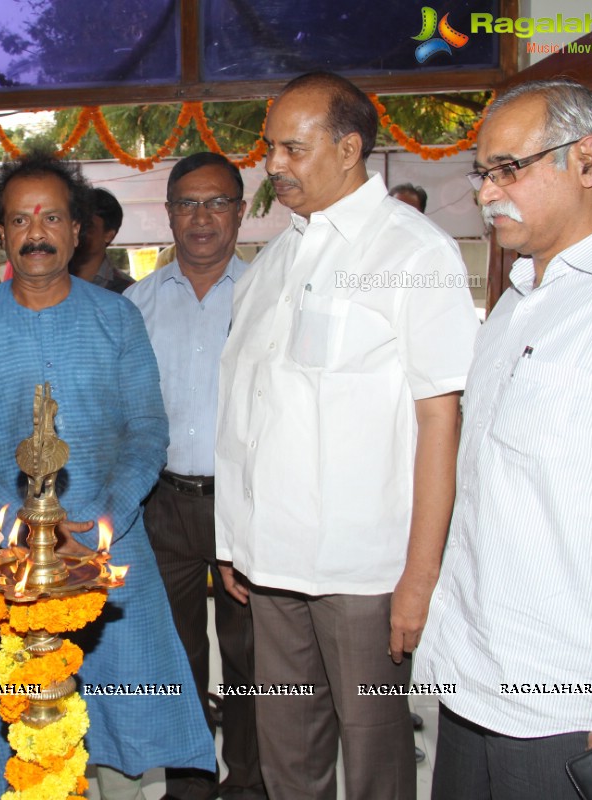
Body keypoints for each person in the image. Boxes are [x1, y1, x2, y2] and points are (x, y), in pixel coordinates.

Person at [214, 71, 479, 800]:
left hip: (366, 575)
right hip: (271, 565)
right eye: (271, 149)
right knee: (287, 758)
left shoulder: (413, 255)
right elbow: (248, 413)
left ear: (349, 147)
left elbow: (440, 418)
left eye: (292, 150)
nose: (273, 167)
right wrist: (233, 541)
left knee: (375, 765)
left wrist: (420, 577)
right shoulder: (273, 261)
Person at [0, 147, 213, 800]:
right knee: (20, 725)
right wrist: (15, 522)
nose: (36, 233)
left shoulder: (117, 318)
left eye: (52, 218)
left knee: (122, 735)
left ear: (77, 230)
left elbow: (148, 432)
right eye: (20, 219)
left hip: (111, 544)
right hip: (14, 559)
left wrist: (106, 515)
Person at [414, 79, 592, 800]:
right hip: (472, 682)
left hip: (575, 706)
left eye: (508, 169)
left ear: (587, 161)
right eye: (482, 173)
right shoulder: (515, 304)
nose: (487, 194)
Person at [123, 151, 265, 800]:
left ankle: (249, 781)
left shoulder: (270, 294)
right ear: (168, 214)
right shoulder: (138, 304)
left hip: (248, 504)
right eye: (187, 204)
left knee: (251, 654)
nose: (201, 218)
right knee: (174, 654)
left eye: (216, 203)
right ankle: (190, 783)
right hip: (163, 504)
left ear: (240, 212)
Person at [71, 186, 134, 292]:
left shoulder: (128, 290)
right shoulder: (49, 280)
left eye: (87, 226)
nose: (77, 232)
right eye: (74, 224)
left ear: (109, 235)